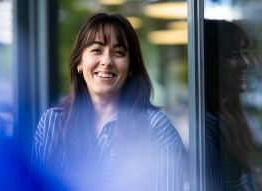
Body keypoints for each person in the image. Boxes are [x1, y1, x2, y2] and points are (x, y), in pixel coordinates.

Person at [31, 12, 186, 191]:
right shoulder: (52, 122)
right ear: (79, 63)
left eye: (118, 52)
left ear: (130, 68)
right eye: (96, 50)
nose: (106, 61)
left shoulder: (157, 129)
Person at [204, 19, 262, 190]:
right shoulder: (209, 125)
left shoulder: (228, 118)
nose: (246, 63)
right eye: (232, 54)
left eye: (244, 52)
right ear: (207, 61)